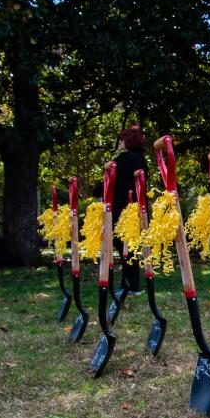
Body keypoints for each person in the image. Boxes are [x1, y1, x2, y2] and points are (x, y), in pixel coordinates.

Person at [94, 124, 149, 294]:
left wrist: (96, 191)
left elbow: (110, 180)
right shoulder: (139, 158)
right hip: (135, 207)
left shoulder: (126, 159)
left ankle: (131, 286)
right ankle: (130, 285)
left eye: (122, 139)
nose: (120, 142)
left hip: (124, 208)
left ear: (129, 141)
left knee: (124, 245)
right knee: (128, 245)